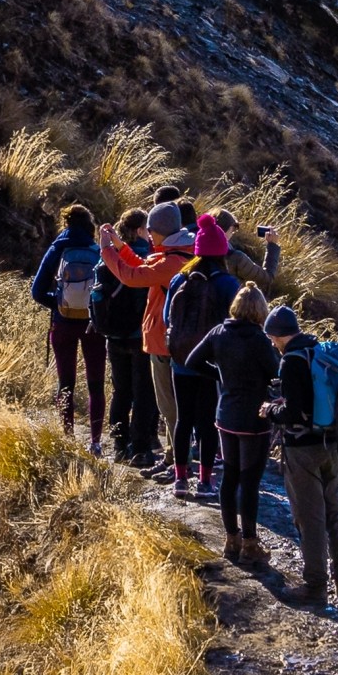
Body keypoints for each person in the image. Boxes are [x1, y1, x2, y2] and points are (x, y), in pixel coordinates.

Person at [268, 304, 338, 605]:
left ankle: (315, 587)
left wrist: (270, 410)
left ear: (278, 336)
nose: (273, 344)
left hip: (302, 451)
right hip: (332, 445)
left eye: (272, 339)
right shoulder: (319, 350)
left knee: (310, 520)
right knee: (334, 515)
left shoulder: (291, 362)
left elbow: (293, 412)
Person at [102, 201, 196, 479]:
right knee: (170, 408)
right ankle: (173, 458)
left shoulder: (173, 261)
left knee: (170, 409)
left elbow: (133, 276)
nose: (149, 235)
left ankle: (179, 465)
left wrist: (106, 249)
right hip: (172, 341)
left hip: (165, 344)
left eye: (152, 230)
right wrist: (120, 246)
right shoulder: (178, 252)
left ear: (162, 231)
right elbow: (143, 265)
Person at [197, 285, 285, 568]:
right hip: (254, 419)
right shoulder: (259, 340)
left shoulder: (219, 332)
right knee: (250, 481)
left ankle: (230, 539)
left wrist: (222, 377)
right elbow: (277, 374)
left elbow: (191, 360)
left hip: (226, 415)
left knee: (230, 477)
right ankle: (250, 543)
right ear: (260, 311)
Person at [161, 220, 247, 500]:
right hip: (212, 362)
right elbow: (236, 322)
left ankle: (180, 479)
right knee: (208, 420)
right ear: (222, 252)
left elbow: (166, 319)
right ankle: (206, 481)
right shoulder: (228, 283)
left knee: (183, 418)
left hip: (181, 359)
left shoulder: (180, 279)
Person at [25, 204, 109, 450]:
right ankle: (95, 442)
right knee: (96, 384)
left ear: (66, 224)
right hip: (93, 325)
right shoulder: (97, 250)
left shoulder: (57, 249)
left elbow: (37, 291)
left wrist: (59, 304)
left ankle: (68, 437)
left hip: (62, 324)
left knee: (66, 383)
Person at [92, 209, 157, 464]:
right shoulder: (148, 258)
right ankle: (140, 448)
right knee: (143, 392)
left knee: (121, 391)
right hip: (140, 335)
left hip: (113, 335)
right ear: (141, 229)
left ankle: (119, 445)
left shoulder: (107, 259)